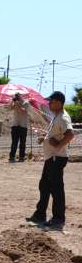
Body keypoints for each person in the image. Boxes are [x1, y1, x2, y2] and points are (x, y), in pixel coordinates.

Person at [26, 91, 75, 231]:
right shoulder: (57, 116)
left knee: (56, 189)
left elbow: (70, 134)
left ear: (59, 102)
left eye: (51, 101)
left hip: (56, 158)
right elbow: (56, 135)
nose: (49, 103)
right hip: (51, 158)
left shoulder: (63, 117)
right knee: (45, 186)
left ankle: (58, 218)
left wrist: (59, 146)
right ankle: (40, 215)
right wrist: (45, 138)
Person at [9, 93, 29, 163]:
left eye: (18, 97)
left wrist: (18, 105)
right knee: (14, 142)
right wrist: (12, 101)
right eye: (16, 97)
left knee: (22, 143)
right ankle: (11, 157)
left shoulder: (26, 103)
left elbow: (23, 111)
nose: (17, 99)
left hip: (23, 126)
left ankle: (21, 157)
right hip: (15, 125)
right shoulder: (15, 103)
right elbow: (10, 108)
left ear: (21, 97)